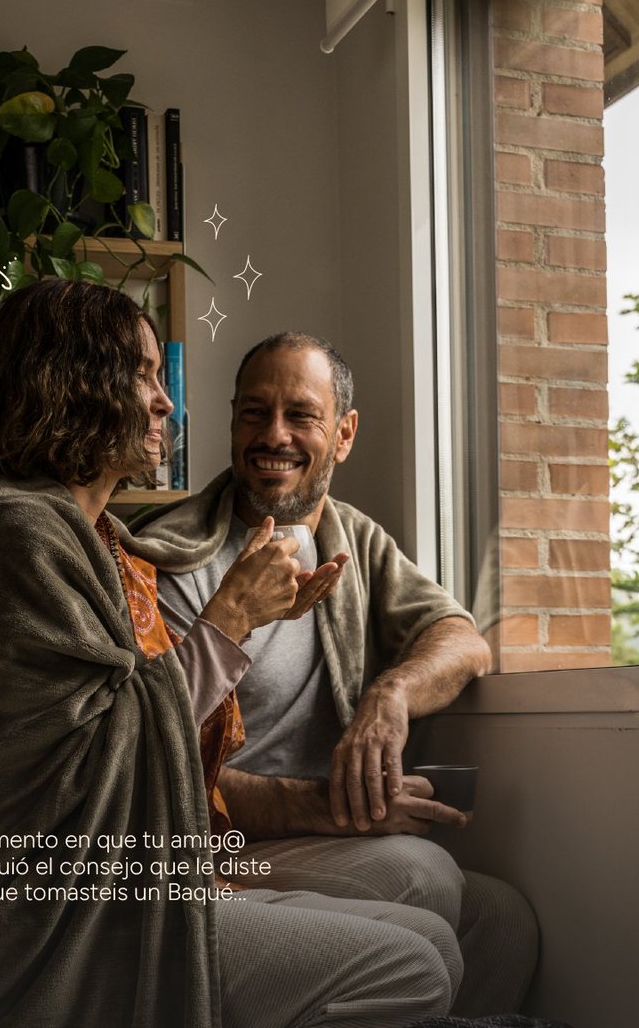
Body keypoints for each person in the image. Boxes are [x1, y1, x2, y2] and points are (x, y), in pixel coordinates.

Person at [0, 284, 465, 1028]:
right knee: (411, 966)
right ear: (74, 385)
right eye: (142, 375)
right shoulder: (16, 534)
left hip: (117, 878)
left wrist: (378, 694)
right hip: (43, 914)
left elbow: (118, 726)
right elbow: (91, 755)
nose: (166, 403)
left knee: (434, 929)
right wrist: (232, 616)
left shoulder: (88, 534)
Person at [126, 331, 539, 1019]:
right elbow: (156, 763)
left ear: (343, 434)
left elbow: (463, 640)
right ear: (231, 422)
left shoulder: (353, 541)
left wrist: (391, 696)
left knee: (506, 920)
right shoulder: (171, 557)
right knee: (422, 875)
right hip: (213, 842)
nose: (274, 435)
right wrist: (332, 806)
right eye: (254, 412)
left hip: (311, 833)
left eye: (300, 415)